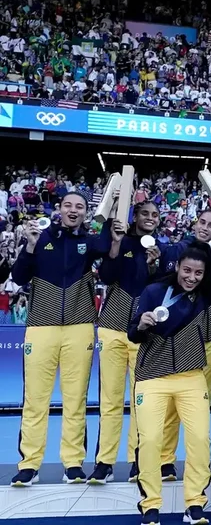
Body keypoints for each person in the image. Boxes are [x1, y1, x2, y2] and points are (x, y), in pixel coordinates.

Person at [129, 237, 211, 525]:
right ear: (178, 268)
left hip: (191, 377)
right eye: (187, 271)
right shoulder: (152, 291)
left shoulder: (204, 295)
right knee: (149, 440)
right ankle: (150, 504)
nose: (192, 278)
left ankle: (195, 503)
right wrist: (141, 325)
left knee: (200, 440)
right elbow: (132, 334)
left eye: (198, 273)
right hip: (152, 376)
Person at [10, 192, 111, 487]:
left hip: (79, 328)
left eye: (80, 206)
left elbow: (106, 245)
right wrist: (29, 246)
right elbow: (18, 277)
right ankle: (29, 464)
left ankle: (73, 463)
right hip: (41, 327)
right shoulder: (40, 239)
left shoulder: (90, 243)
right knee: (34, 400)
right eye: (68, 205)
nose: (73, 210)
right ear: (59, 209)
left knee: (75, 399)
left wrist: (110, 209)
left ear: (85, 213)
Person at [90, 201, 163, 484]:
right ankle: (104, 462)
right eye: (145, 213)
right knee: (110, 400)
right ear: (135, 217)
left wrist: (153, 266)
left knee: (140, 401)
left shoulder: (161, 248)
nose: (150, 218)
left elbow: (159, 287)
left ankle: (137, 461)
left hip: (142, 334)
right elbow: (107, 276)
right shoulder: (122, 239)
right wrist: (116, 243)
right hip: (111, 329)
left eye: (155, 215)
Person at [160, 204, 211, 481]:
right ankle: (165, 461)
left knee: (199, 411)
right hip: (173, 342)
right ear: (194, 223)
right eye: (202, 222)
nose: (205, 227)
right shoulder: (174, 253)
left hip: (207, 343)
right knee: (170, 408)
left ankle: (199, 465)